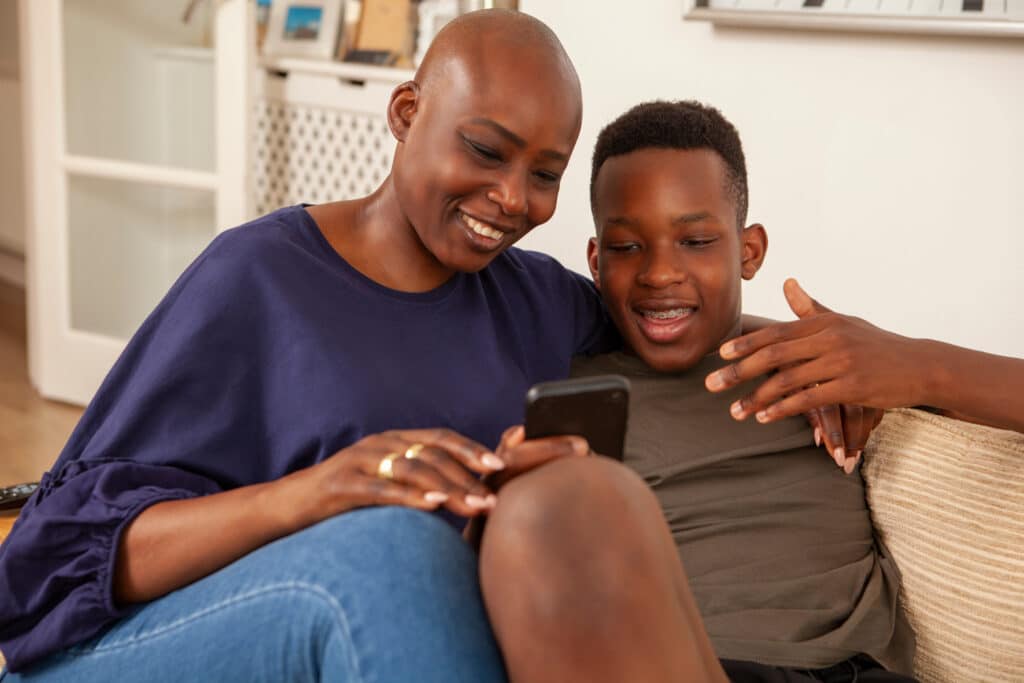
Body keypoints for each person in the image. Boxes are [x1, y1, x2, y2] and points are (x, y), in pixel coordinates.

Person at [0, 10, 610, 681]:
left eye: (546, 174)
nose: (512, 197)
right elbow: (53, 560)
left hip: (379, 641)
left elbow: (671, 313)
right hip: (129, 651)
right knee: (387, 548)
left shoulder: (539, 300)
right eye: (486, 151)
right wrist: (313, 493)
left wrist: (748, 339)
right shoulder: (256, 275)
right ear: (406, 112)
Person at [474, 101, 920, 682]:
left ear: (749, 251)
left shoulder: (819, 367)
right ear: (595, 261)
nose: (660, 273)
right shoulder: (573, 393)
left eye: (697, 241)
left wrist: (913, 363)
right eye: (627, 247)